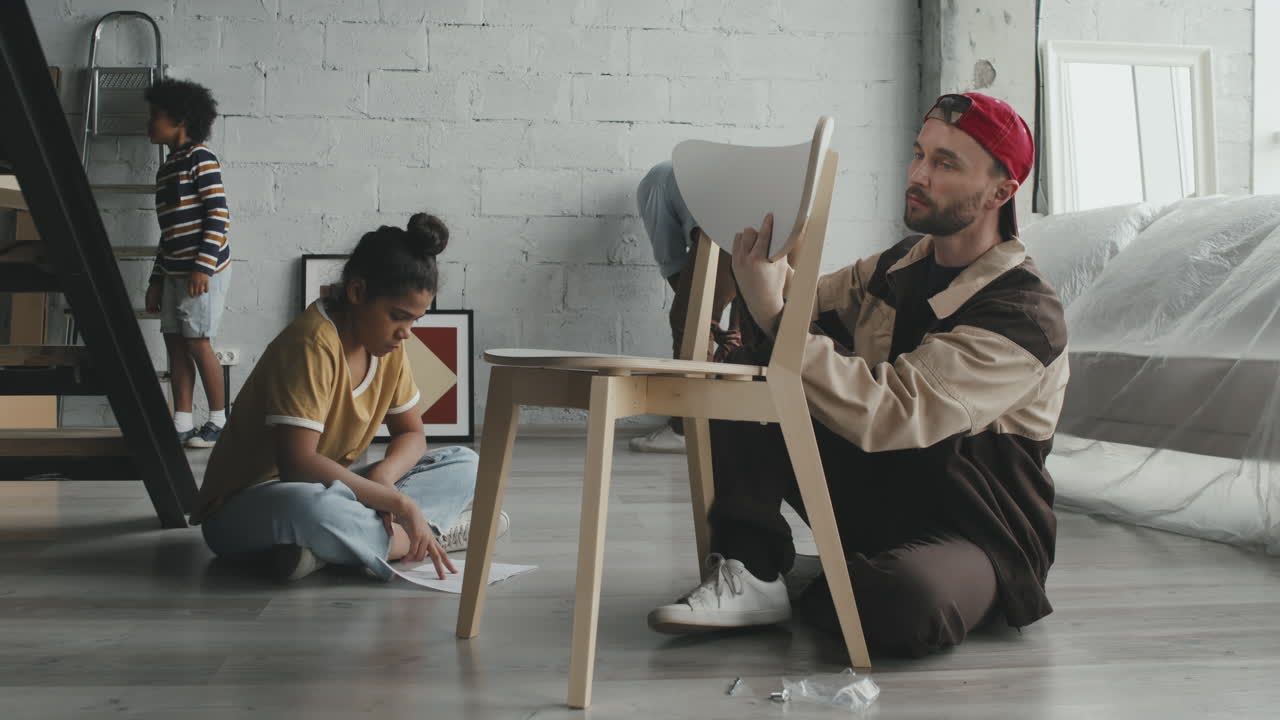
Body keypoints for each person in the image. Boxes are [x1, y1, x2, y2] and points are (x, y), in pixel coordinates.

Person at [647, 93, 1068, 658]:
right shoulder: (898, 265)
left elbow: (896, 413)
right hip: (882, 492)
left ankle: (835, 580)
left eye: (945, 164)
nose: (918, 175)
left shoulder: (1024, 314)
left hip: (976, 528)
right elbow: (801, 307)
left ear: (1000, 192)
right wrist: (767, 274)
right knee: (748, 365)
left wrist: (776, 313)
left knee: (902, 604)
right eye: (919, 154)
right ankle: (750, 569)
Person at [190, 214, 507, 582]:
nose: (406, 333)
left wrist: (385, 481)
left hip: (330, 490)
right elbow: (297, 465)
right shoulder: (312, 343)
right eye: (398, 317)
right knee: (312, 509)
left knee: (464, 461)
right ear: (356, 293)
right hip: (246, 508)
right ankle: (419, 536)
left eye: (415, 321)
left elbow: (411, 433)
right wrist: (399, 503)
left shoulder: (390, 348)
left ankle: (332, 550)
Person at [630, 161, 742, 453]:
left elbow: (673, 262)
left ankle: (686, 428)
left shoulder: (652, 184)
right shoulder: (714, 178)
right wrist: (732, 330)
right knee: (747, 339)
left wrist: (706, 323)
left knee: (689, 322)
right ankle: (736, 428)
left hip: (727, 233)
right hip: (780, 228)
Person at [143, 78, 231, 449]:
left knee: (198, 343)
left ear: (180, 120)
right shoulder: (167, 169)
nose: (149, 124)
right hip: (175, 271)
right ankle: (181, 422)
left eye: (156, 116)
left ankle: (218, 419)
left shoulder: (201, 158)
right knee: (175, 343)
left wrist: (203, 266)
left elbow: (218, 215)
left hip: (202, 272)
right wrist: (156, 279)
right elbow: (168, 233)